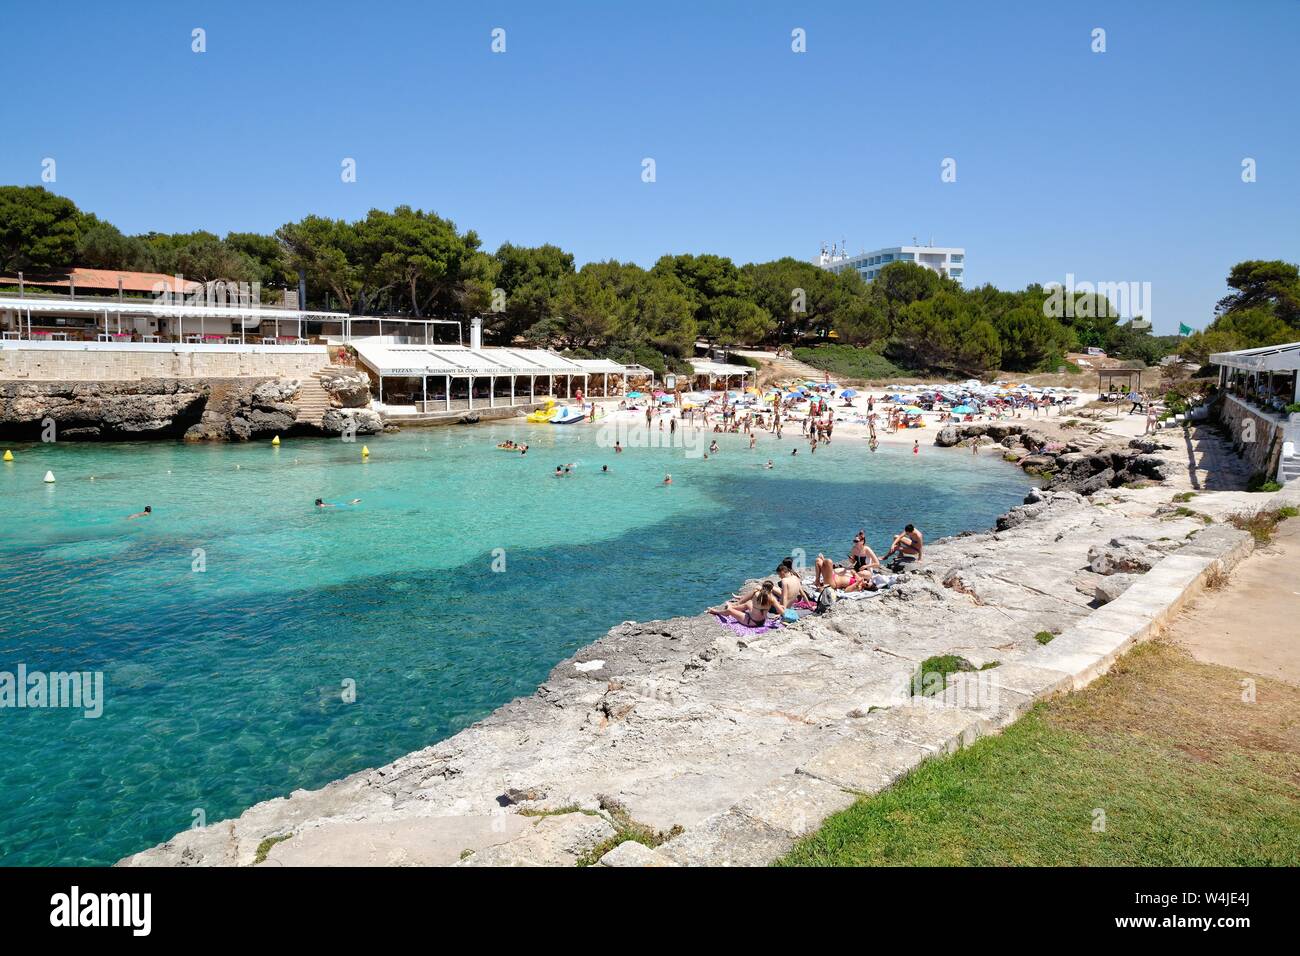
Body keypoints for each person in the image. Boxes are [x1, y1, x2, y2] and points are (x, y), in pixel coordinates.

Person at [709, 579, 785, 627]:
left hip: (751, 621)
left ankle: (716, 611)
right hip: (762, 621)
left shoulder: (756, 594)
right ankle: (734, 606)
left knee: (729, 610)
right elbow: (782, 613)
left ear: (762, 588)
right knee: (748, 603)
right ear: (771, 590)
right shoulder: (772, 599)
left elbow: (757, 589)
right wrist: (780, 612)